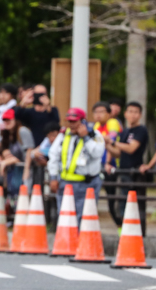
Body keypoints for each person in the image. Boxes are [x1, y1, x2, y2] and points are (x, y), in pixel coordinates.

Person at [47, 107, 105, 223]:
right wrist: (53, 177)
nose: (71, 124)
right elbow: (53, 156)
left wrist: (86, 137)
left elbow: (97, 153)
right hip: (65, 183)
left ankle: (79, 241)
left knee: (83, 218)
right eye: (69, 121)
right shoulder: (63, 135)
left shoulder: (94, 135)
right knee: (64, 217)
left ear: (83, 121)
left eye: (74, 121)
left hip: (86, 184)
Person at [104, 102, 148, 235]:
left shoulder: (141, 130)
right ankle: (126, 233)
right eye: (130, 111)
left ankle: (140, 234)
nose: (132, 114)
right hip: (123, 171)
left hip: (136, 172)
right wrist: (106, 144)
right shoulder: (125, 131)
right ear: (125, 114)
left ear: (140, 115)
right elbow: (118, 152)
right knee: (121, 205)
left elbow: (131, 148)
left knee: (137, 206)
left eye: (136, 112)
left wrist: (112, 142)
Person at [93, 101, 122, 225]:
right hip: (98, 166)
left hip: (112, 166)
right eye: (96, 112)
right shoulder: (96, 126)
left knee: (113, 200)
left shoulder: (112, 123)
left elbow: (110, 142)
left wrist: (108, 162)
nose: (98, 115)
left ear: (109, 114)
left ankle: (121, 226)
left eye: (102, 112)